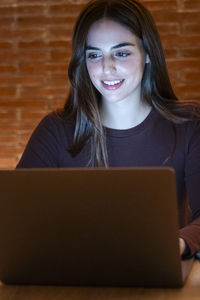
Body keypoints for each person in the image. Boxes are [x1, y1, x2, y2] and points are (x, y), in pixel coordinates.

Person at [16, 0, 200, 258]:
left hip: (157, 278)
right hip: (71, 279)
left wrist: (176, 245)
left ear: (148, 54)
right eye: (94, 55)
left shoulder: (188, 124)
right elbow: (14, 217)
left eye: (121, 53)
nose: (107, 67)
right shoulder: (55, 130)